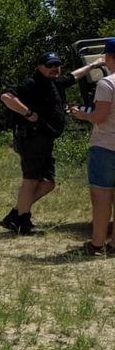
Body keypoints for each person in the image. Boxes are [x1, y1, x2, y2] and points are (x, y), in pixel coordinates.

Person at [0, 52, 106, 234]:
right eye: (50, 65)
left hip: (45, 139)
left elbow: (74, 76)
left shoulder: (55, 83)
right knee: (31, 180)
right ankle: (23, 222)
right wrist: (28, 113)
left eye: (57, 65)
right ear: (39, 67)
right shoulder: (32, 83)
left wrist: (93, 65)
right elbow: (6, 97)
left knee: (48, 183)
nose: (54, 68)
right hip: (32, 138)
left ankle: (15, 215)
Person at [69, 39, 115, 255]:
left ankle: (97, 244)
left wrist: (82, 114)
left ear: (108, 57)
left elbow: (100, 116)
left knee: (101, 196)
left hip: (105, 146)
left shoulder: (106, 84)